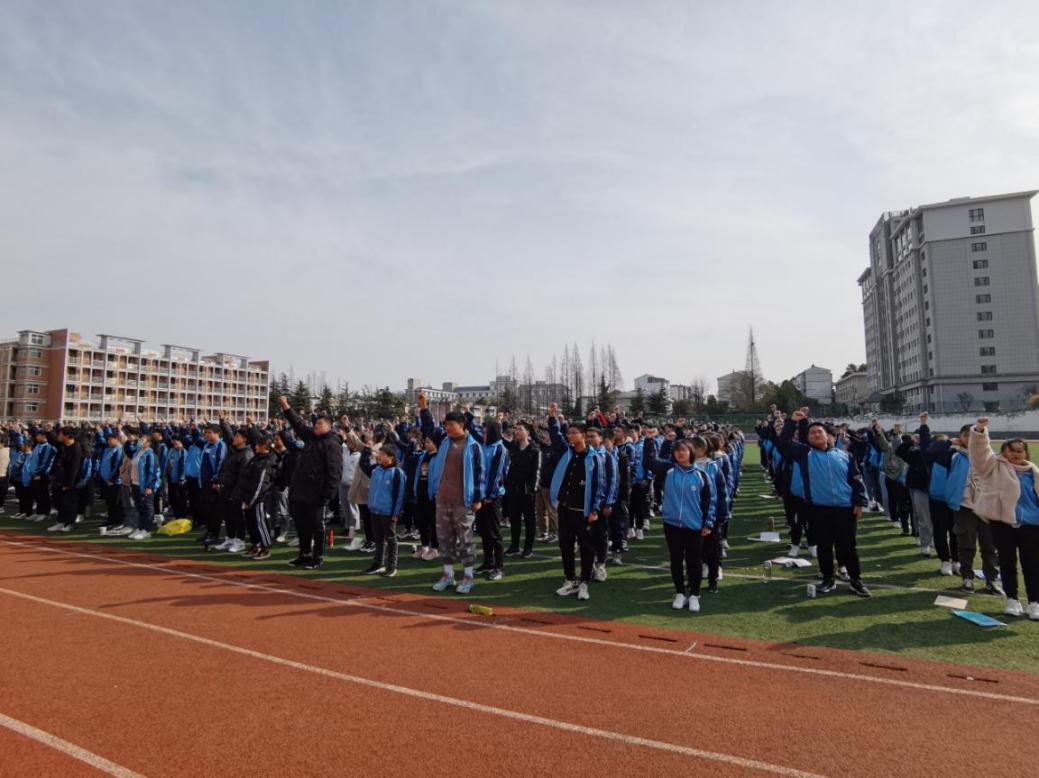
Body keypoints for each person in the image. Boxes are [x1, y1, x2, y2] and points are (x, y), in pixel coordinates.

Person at [780, 408, 871, 598]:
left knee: (848, 546)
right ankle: (828, 579)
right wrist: (793, 421)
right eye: (812, 433)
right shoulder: (805, 454)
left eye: (819, 432)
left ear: (828, 436)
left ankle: (856, 580)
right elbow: (784, 443)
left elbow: (856, 480)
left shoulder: (844, 455)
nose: (816, 435)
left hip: (845, 509)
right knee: (824, 546)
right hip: (819, 509)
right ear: (807, 438)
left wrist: (859, 502)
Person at [968, 418, 1039, 620]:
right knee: (1007, 562)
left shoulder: (1034, 472)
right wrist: (980, 431)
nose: (1016, 453)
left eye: (1020, 450)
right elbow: (980, 453)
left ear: (1026, 453)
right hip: (1003, 523)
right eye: (1011, 450)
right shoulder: (993, 466)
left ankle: (1034, 603)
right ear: (1003, 452)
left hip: (1032, 525)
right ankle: (1012, 600)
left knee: (1032, 564)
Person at [418, 392, 485, 594]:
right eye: (445, 424)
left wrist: (478, 499)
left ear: (461, 425)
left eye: (450, 424)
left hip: (463, 501)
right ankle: (448, 575)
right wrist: (424, 408)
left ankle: (468, 577)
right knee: (445, 539)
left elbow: (480, 474)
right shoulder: (443, 441)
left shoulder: (473, 446)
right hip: (443, 499)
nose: (446, 427)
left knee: (465, 540)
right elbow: (429, 428)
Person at [279, 395, 343, 570]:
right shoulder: (311, 438)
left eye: (320, 424)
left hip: (317, 493)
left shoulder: (331, 444)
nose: (316, 426)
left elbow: (335, 471)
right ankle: (304, 554)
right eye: (315, 423)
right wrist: (286, 407)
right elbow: (298, 424)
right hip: (300, 490)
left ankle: (317, 557)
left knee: (317, 526)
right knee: (301, 525)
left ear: (329, 426)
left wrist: (328, 495)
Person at [548, 408, 604, 601]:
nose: (570, 436)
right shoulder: (567, 453)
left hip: (583, 511)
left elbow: (598, 485)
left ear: (583, 435)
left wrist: (595, 509)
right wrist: (552, 418)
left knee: (587, 548)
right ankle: (570, 580)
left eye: (574, 433)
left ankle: (584, 582)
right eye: (569, 433)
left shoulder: (594, 457)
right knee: (565, 545)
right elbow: (556, 437)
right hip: (565, 508)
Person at [943, 423, 1001, 595]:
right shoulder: (954, 455)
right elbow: (932, 452)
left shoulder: (991, 457)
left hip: (987, 508)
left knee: (990, 546)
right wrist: (949, 443)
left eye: (973, 435)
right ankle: (967, 578)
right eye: (966, 435)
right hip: (965, 507)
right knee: (966, 545)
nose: (969, 439)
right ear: (960, 437)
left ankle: (991, 580)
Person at [661, 439, 714, 612]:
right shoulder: (669, 472)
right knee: (676, 559)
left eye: (684, 450)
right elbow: (651, 461)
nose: (680, 453)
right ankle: (679, 593)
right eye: (677, 451)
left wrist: (708, 523)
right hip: (672, 524)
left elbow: (710, 501)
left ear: (690, 452)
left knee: (694, 560)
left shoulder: (701, 475)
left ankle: (694, 595)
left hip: (694, 525)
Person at [360, 443, 406, 576]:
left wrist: (396, 513)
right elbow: (363, 465)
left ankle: (391, 567)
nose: (379, 456)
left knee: (391, 539)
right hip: (374, 510)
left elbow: (399, 495)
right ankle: (377, 564)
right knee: (378, 539)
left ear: (391, 457)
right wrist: (366, 450)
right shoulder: (376, 469)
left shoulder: (397, 472)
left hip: (388, 512)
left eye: (383, 454)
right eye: (380, 453)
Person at [503, 421, 540, 559]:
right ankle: (514, 546)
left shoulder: (535, 449)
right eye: (516, 429)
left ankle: (528, 548)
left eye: (520, 429)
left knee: (529, 520)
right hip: (513, 489)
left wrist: (532, 490)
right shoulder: (513, 447)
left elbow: (537, 471)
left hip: (527, 491)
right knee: (514, 518)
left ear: (527, 432)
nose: (517, 431)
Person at [234, 433, 274, 559]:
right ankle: (256, 544)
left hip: (258, 499)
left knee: (260, 523)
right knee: (251, 523)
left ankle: (265, 547)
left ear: (265, 446)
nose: (256, 447)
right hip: (248, 497)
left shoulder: (267, 461)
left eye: (258, 445)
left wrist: (251, 500)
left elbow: (261, 484)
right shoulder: (256, 458)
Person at [47, 427, 83, 533]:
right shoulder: (62, 445)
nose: (59, 436)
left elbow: (74, 469)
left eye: (61, 434)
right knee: (58, 502)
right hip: (58, 478)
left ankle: (69, 524)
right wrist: (49, 431)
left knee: (69, 503)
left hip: (69, 482)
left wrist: (68, 484)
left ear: (67, 436)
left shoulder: (76, 449)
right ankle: (60, 522)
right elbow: (53, 441)